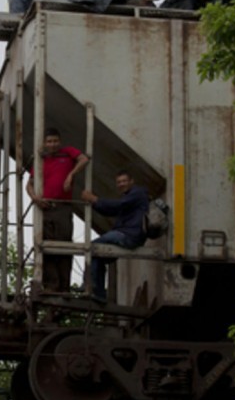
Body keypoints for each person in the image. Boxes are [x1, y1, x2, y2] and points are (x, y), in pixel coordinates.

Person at [26, 127, 89, 293]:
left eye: (55, 141)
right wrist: (35, 198)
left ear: (59, 142)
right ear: (44, 143)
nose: (52, 144)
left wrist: (71, 175)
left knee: (63, 246)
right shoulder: (41, 160)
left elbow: (83, 159)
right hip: (44, 208)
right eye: (49, 141)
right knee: (45, 248)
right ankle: (51, 285)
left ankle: (64, 287)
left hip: (63, 207)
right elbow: (29, 184)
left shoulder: (67, 153)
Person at [81, 170, 149, 301]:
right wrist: (94, 203)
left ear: (131, 182)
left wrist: (95, 199)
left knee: (94, 246)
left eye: (124, 181)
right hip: (127, 234)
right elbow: (110, 210)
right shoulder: (129, 199)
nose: (121, 184)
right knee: (99, 257)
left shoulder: (138, 193)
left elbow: (118, 205)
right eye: (119, 182)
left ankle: (89, 284)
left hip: (130, 234)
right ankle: (99, 294)